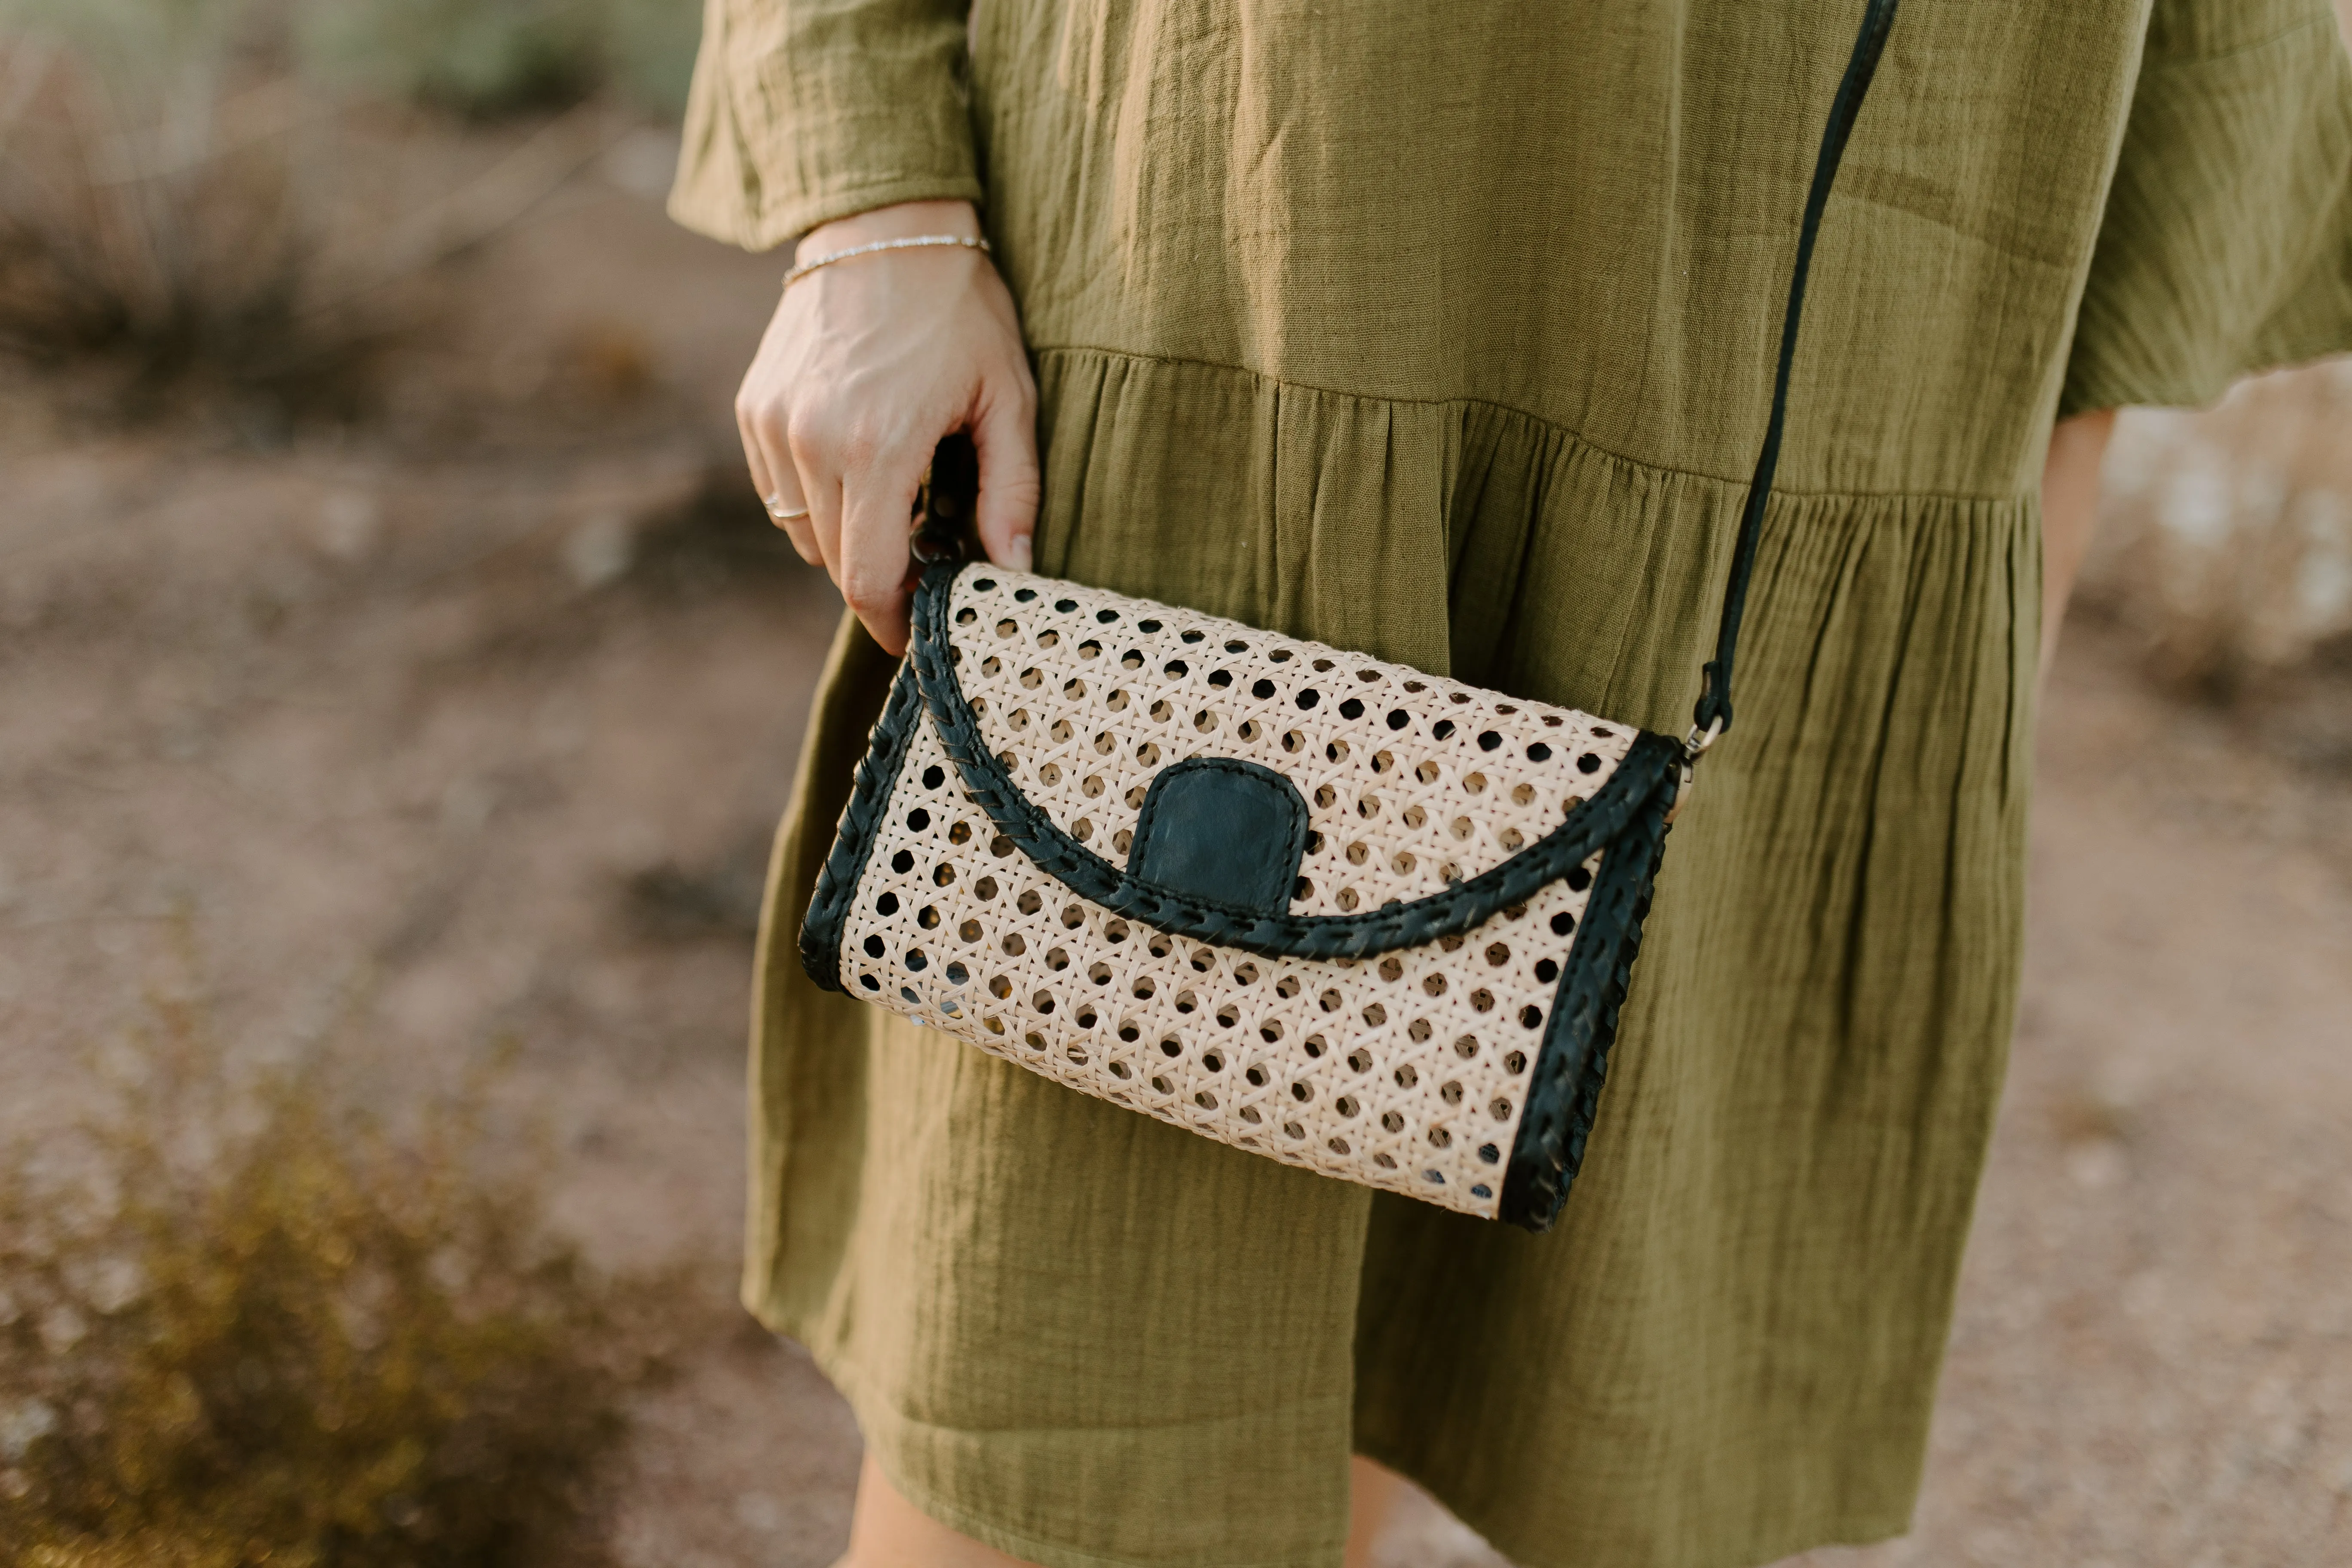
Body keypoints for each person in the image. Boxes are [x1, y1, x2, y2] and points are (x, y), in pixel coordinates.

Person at [668, 3, 2352, 1565]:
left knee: (1418, 1356)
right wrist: (874, 211)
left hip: (1843, 380)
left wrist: (1999, 555)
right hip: (1223, 252)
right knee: (1052, 1445)